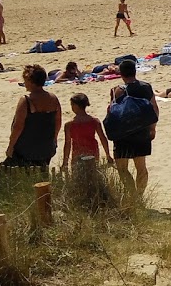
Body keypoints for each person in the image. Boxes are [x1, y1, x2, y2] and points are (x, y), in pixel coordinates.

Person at [109, 57, 157, 195]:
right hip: (141, 131)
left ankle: (132, 195)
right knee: (141, 167)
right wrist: (152, 128)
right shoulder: (146, 87)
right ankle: (139, 196)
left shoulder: (115, 91)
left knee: (122, 168)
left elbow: (112, 112)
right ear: (135, 72)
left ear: (121, 74)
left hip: (122, 134)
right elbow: (154, 108)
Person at [4, 65, 61, 168]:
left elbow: (18, 126)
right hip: (46, 148)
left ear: (31, 81)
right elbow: (58, 122)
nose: (24, 83)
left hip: (26, 149)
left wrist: (11, 146)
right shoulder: (53, 98)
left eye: (25, 80)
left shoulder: (26, 100)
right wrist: (54, 139)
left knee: (5, 171)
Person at [61, 92, 111, 169]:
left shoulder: (69, 125)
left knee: (78, 177)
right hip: (92, 151)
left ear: (76, 106)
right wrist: (108, 154)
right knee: (93, 173)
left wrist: (65, 162)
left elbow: (67, 144)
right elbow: (102, 138)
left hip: (77, 153)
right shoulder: (95, 121)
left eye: (72, 105)